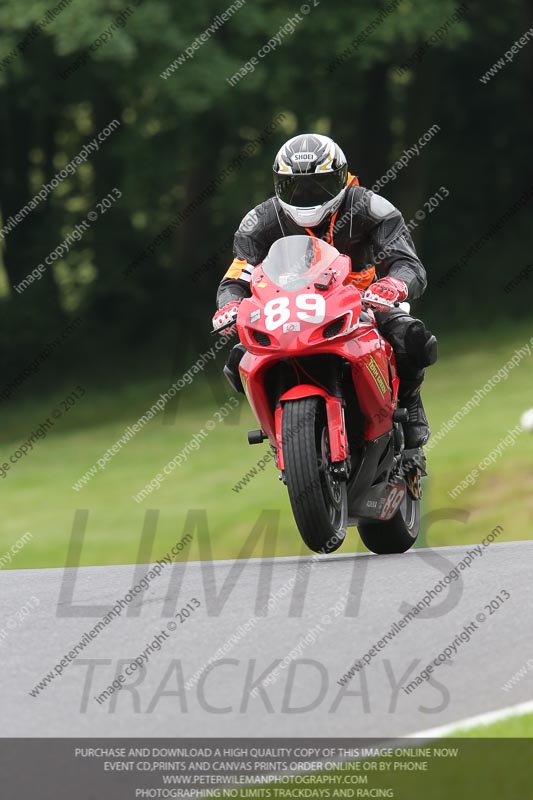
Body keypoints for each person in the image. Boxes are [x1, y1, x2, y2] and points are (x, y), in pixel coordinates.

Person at [212, 133, 437, 449]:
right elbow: (236, 277)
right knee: (238, 361)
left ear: (341, 178)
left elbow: (407, 263)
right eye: (294, 186)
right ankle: (280, 433)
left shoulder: (371, 208)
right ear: (278, 185)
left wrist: (392, 285)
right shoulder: (259, 222)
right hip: (288, 307)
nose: (306, 195)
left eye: (317, 185)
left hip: (361, 302)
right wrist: (230, 305)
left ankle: (410, 405)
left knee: (413, 338)